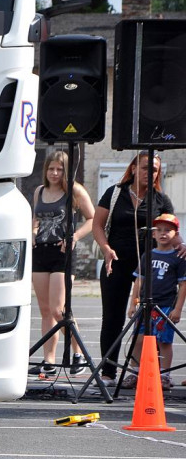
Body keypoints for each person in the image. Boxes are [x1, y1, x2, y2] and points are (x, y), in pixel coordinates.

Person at [92, 152, 175, 386]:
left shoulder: (160, 200)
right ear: (134, 168)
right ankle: (108, 372)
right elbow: (97, 225)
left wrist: (181, 248)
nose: (151, 173)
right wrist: (106, 248)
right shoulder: (115, 193)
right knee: (113, 317)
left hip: (148, 266)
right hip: (116, 260)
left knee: (148, 318)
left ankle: (141, 370)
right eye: (146, 167)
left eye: (155, 169)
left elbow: (171, 232)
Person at [28, 150, 94, 377]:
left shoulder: (74, 191)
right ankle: (49, 360)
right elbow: (36, 219)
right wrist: (34, 230)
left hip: (62, 253)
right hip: (41, 252)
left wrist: (74, 236)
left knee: (59, 310)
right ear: (45, 170)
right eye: (51, 168)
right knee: (45, 310)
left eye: (59, 169)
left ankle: (79, 353)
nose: (55, 173)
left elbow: (93, 219)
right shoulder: (39, 191)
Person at [123, 214, 186, 390]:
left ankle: (165, 374)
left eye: (168, 230)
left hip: (165, 305)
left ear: (176, 234)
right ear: (153, 234)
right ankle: (135, 372)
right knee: (138, 340)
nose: (163, 233)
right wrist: (132, 303)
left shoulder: (178, 257)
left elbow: (183, 284)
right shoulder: (147, 255)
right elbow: (139, 280)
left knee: (164, 341)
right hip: (144, 305)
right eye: (159, 230)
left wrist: (178, 309)